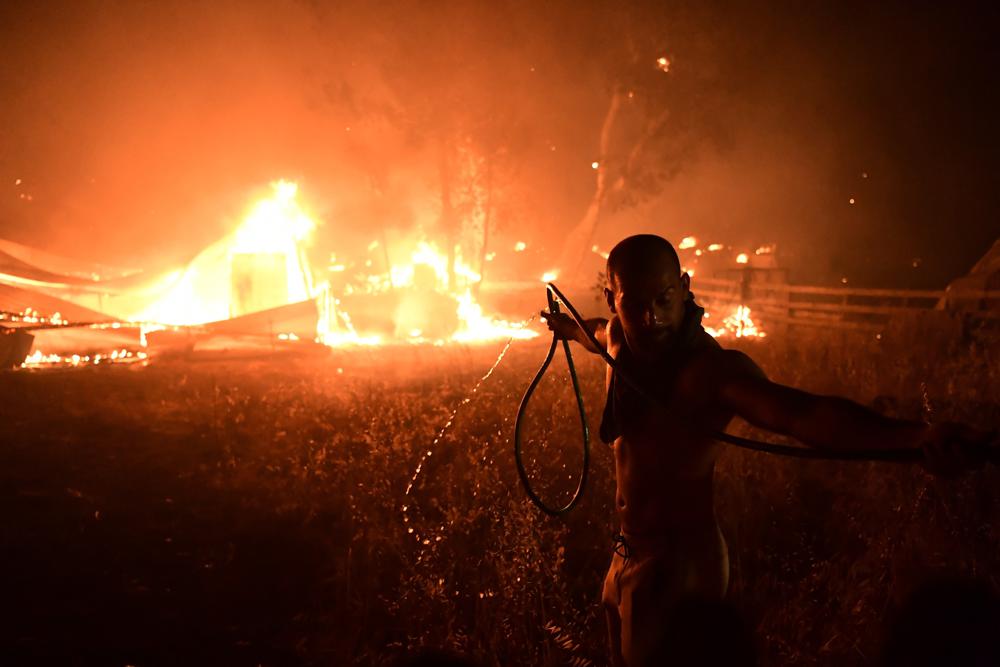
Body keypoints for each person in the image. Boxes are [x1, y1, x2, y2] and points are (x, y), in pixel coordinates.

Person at [541, 234, 994, 667]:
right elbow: (595, 333)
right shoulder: (620, 338)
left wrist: (915, 437)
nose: (651, 319)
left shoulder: (714, 373)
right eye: (634, 304)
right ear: (612, 299)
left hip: (680, 565)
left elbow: (801, 414)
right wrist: (566, 327)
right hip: (625, 556)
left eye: (663, 300)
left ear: (683, 289)